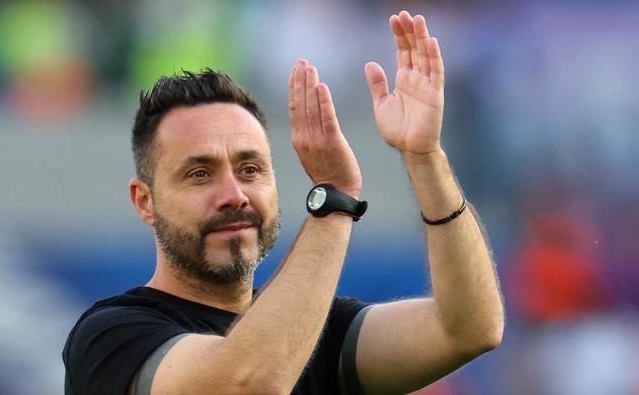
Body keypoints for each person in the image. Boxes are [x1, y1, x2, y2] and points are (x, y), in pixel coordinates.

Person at [63, 11, 504, 395]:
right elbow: (251, 381)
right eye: (199, 174)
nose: (234, 194)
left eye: (250, 169)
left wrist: (425, 158)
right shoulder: (110, 335)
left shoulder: (318, 333)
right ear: (145, 202)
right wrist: (335, 198)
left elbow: (468, 328)